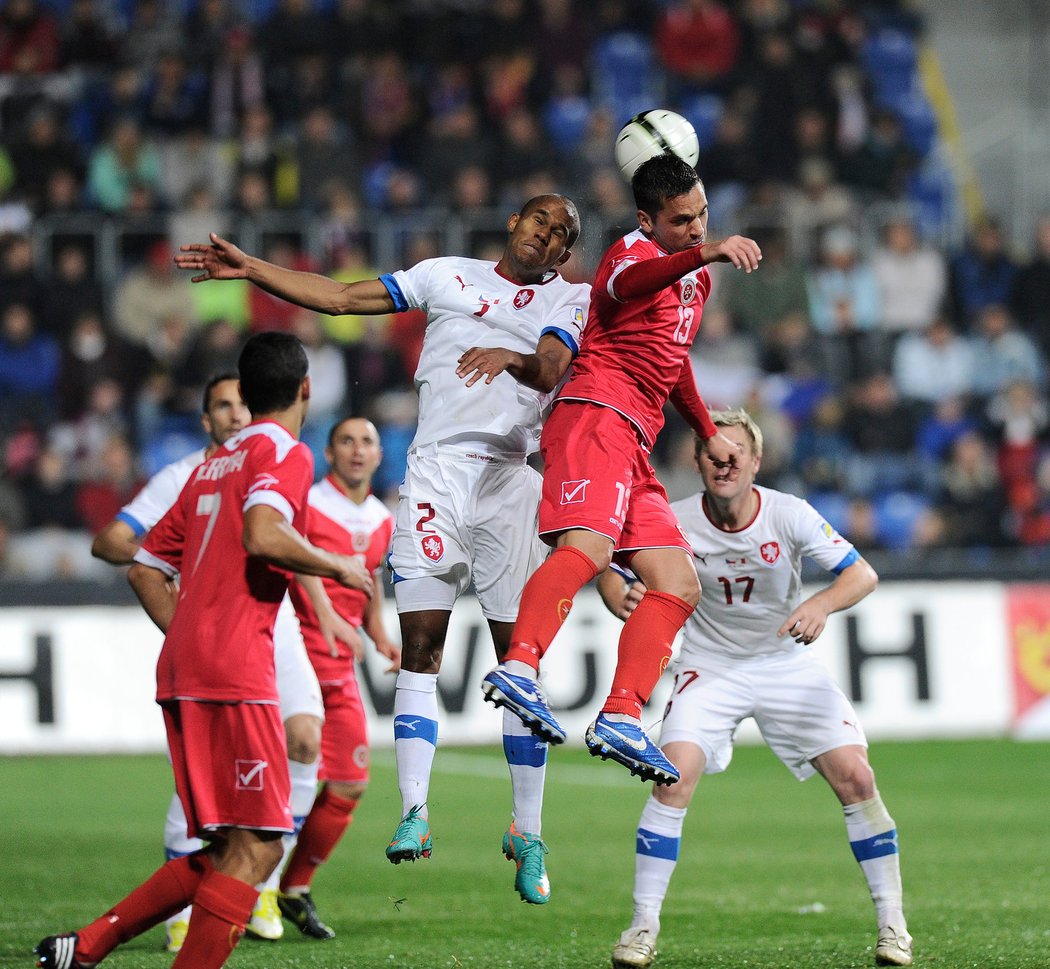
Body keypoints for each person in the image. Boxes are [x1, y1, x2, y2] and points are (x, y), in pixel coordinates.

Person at [173, 194, 591, 905]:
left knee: (518, 660)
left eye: (563, 234)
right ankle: (415, 812)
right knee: (421, 645)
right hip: (433, 471)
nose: (547, 236)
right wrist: (251, 270)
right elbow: (337, 296)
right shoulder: (445, 275)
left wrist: (510, 357)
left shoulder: (573, 299)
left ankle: (528, 829)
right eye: (539, 221)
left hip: (508, 480)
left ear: (563, 253)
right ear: (514, 222)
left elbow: (551, 369)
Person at [35, 332, 372, 969]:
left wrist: (196, 634)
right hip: (236, 669)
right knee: (262, 846)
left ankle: (86, 946)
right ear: (306, 390)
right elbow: (264, 532)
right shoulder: (285, 452)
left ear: (243, 394)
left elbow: (142, 568)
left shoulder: (209, 465)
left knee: (227, 844)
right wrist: (337, 566)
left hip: (187, 665)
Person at [477, 152, 760, 786]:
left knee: (677, 582)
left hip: (637, 436)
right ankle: (519, 668)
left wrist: (709, 432)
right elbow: (627, 289)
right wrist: (707, 251)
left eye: (703, 216)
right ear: (646, 219)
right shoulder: (628, 256)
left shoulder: (694, 279)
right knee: (588, 548)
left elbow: (671, 359)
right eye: (682, 220)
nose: (695, 228)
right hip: (595, 414)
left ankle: (622, 714)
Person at [599, 408, 912, 969]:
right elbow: (606, 558)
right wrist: (611, 588)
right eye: (713, 454)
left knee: (857, 777)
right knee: (672, 778)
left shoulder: (787, 513)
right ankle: (641, 927)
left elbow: (861, 573)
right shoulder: (670, 520)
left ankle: (894, 925)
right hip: (710, 666)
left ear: (755, 462)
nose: (725, 463)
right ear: (696, 462)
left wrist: (819, 603)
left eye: (735, 454)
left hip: (783, 663)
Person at [89, 372, 329, 949]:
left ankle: (258, 883)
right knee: (217, 793)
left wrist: (331, 610)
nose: (235, 415)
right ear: (205, 419)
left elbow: (284, 548)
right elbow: (119, 546)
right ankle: (206, 900)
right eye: (222, 406)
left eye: (243, 404)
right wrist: (193, 616)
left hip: (276, 628)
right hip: (225, 641)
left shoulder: (267, 460)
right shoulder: (189, 474)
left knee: (306, 742)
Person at [279, 416, 401, 938]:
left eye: (367, 442)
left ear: (378, 456)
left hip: (341, 658)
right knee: (289, 770)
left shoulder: (381, 519)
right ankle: (251, 886)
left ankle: (292, 887)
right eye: (346, 441)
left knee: (350, 782)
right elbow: (292, 563)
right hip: (296, 651)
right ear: (329, 454)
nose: (357, 450)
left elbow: (369, 576)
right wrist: (327, 613)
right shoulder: (307, 504)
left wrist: (379, 632)